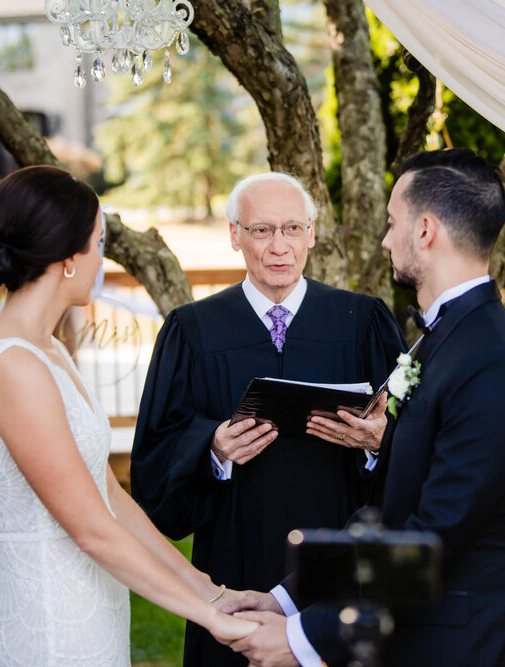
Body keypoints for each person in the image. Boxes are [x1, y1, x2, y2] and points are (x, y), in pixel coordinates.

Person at [226, 149, 505, 667]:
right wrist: (287, 599)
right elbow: (393, 513)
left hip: (465, 647)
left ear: (425, 231)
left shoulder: (493, 361)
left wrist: (301, 638)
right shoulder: (444, 340)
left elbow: (433, 541)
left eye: (391, 223)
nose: (384, 239)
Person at [0, 165, 256, 666]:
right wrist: (211, 621)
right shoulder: (15, 365)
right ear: (68, 259)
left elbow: (107, 496)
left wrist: (209, 591)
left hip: (93, 609)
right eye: (99, 244)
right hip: (51, 627)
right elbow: (92, 529)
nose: (103, 260)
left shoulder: (48, 350)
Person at [130, 172, 407, 667]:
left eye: (293, 229)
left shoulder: (362, 323)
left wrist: (378, 442)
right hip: (236, 564)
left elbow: (417, 446)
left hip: (338, 558)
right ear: (235, 235)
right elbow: (155, 459)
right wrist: (211, 450)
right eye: (261, 230)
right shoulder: (192, 332)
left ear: (313, 233)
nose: (279, 246)